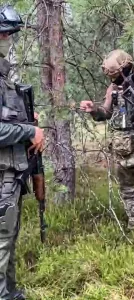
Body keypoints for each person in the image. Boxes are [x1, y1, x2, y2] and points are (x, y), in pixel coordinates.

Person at [80, 49, 134, 231]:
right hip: (123, 148)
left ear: (128, 66)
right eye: (112, 77)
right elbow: (105, 112)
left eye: (118, 75)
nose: (115, 80)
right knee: (127, 187)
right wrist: (93, 110)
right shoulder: (113, 89)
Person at [0, 5, 45, 299]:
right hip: (2, 173)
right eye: (4, 33)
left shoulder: (4, 79)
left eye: (10, 34)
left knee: (8, 235)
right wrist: (30, 131)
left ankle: (9, 291)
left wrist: (29, 123)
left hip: (10, 174)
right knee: (2, 239)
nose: (8, 39)